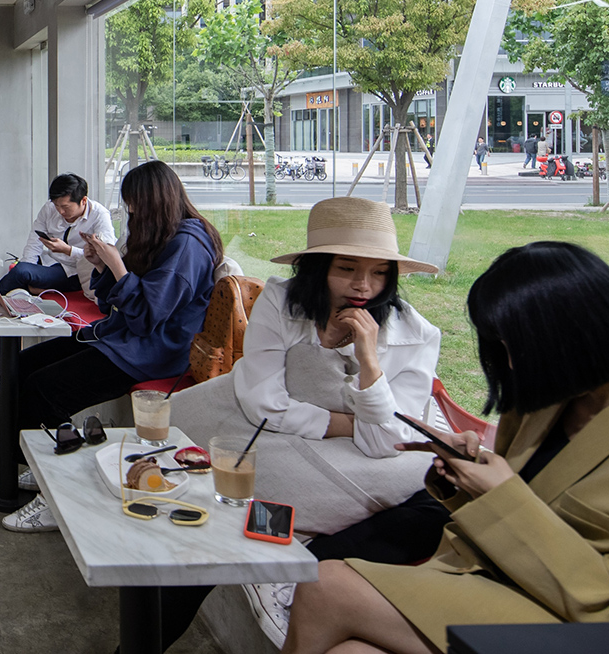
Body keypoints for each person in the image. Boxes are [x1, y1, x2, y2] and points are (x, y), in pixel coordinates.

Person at [284, 241, 609, 653]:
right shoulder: (551, 393)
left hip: (589, 627)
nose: (513, 364)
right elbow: (523, 509)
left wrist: (501, 495)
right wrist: (465, 475)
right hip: (497, 580)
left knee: (327, 586)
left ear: (579, 331)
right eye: (501, 347)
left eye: (518, 347)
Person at [155, 197, 441, 649]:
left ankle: (292, 570)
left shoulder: (416, 335)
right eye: (347, 269)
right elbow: (263, 403)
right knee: (207, 527)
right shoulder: (281, 301)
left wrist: (368, 360)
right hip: (264, 433)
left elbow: (387, 439)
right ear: (318, 266)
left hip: (351, 459)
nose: (365, 285)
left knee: (422, 501)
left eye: (380, 272)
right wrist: (349, 422)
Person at [2, 162, 220, 534]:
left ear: (156, 203)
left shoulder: (188, 244)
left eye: (135, 207)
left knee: (45, 390)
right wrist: (101, 267)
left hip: (149, 352)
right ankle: (47, 472)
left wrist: (117, 267)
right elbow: (113, 304)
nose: (131, 215)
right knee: (22, 366)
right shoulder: (163, 235)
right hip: (122, 336)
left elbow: (148, 316)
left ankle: (62, 496)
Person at [0, 173, 116, 301]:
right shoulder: (49, 208)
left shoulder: (99, 216)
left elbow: (106, 257)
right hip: (48, 262)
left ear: (83, 201)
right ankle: (30, 289)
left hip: (74, 270)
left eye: (65, 207)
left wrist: (69, 250)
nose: (60, 211)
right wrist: (29, 267)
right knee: (22, 270)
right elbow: (34, 242)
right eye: (57, 205)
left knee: (21, 272)